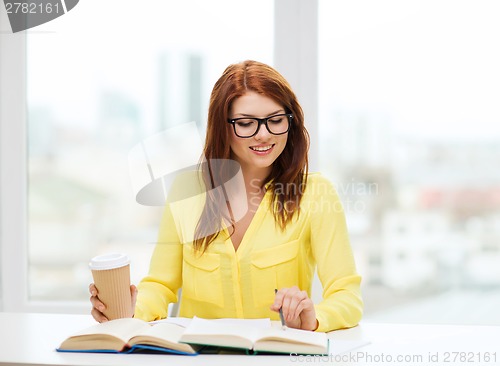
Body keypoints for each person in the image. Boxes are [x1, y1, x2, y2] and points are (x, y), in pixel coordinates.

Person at [90, 60, 363, 332]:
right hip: (199, 358)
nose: (264, 135)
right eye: (246, 123)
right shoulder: (186, 191)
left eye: (276, 120)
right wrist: (130, 310)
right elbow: (161, 285)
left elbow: (347, 296)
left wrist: (313, 318)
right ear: (223, 127)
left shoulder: (314, 193)